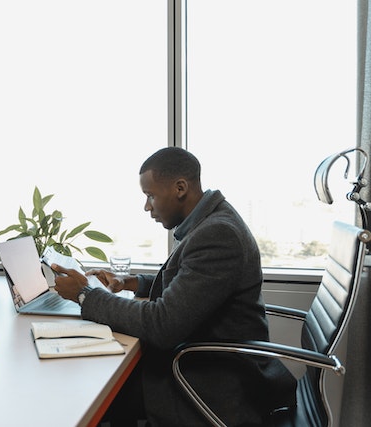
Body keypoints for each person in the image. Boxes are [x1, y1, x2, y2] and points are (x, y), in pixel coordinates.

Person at [52, 147, 297, 426]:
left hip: (215, 385)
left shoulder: (218, 234)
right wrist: (132, 283)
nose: (147, 206)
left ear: (180, 188)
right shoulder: (210, 222)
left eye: (151, 195)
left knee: (92, 391)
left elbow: (162, 325)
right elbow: (190, 283)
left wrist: (86, 294)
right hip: (205, 366)